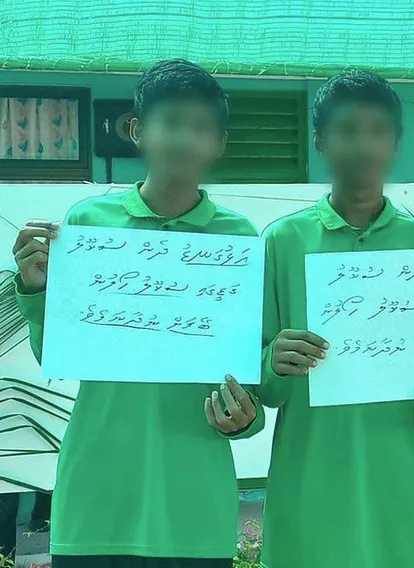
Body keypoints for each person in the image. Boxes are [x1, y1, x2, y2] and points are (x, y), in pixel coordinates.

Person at [12, 59, 264, 568]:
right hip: (97, 494)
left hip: (194, 502)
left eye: (201, 127)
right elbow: (55, 353)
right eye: (171, 122)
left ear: (219, 144)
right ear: (136, 130)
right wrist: (35, 288)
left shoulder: (238, 239)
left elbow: (249, 374)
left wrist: (245, 419)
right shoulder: (87, 223)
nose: (185, 139)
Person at [258, 70, 414, 568]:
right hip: (308, 477)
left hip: (401, 484)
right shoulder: (283, 241)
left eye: (377, 131)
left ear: (395, 143)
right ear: (320, 141)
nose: (363, 145)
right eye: (347, 130)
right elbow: (263, 386)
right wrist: (275, 362)